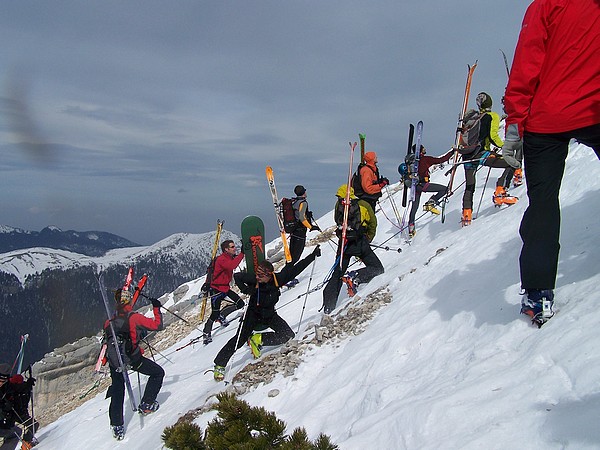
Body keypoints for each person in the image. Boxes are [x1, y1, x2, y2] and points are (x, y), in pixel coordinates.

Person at [502, 0, 600, 324]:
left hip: (546, 121)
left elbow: (526, 65)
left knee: (543, 203)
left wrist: (514, 127)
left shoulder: (545, 5)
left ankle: (537, 292)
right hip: (592, 112)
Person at [212, 247, 321, 381]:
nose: (257, 277)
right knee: (238, 340)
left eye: (260, 276)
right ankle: (219, 365)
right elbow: (237, 276)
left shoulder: (278, 279)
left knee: (287, 335)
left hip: (269, 314)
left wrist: (312, 255)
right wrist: (247, 289)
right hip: (252, 315)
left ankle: (258, 339)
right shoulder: (254, 280)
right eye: (256, 274)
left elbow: (296, 269)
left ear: (269, 274)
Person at [104, 289, 165, 440]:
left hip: (114, 361)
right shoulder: (134, 317)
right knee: (157, 373)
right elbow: (157, 325)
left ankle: (116, 425)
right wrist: (156, 308)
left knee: (118, 389)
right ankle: (147, 404)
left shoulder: (109, 322)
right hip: (132, 359)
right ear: (129, 301)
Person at [322, 184, 384, 314]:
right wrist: (369, 238)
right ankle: (356, 276)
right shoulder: (363, 205)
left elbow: (336, 220)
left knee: (337, 273)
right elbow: (373, 223)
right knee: (377, 268)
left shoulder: (339, 204)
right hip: (360, 242)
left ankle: (329, 306)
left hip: (344, 243)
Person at [460, 93, 518, 226]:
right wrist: (505, 147)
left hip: (467, 156)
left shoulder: (474, 118)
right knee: (511, 162)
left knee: (470, 186)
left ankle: (466, 215)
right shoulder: (492, 116)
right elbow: (493, 136)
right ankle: (500, 191)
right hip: (481, 154)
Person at [402, 145, 453, 237]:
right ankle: (431, 202)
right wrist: (452, 152)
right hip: (422, 184)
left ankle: (411, 228)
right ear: (421, 150)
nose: (425, 149)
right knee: (445, 189)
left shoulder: (412, 161)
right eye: (423, 148)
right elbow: (441, 160)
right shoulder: (425, 159)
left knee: (414, 208)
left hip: (415, 186)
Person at [202, 240, 245, 345]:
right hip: (216, 290)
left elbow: (232, 264)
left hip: (224, 288)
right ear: (226, 249)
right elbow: (232, 266)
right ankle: (206, 333)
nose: (235, 248)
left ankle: (222, 315)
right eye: (232, 247)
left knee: (240, 303)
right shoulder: (222, 259)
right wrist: (242, 253)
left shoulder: (228, 258)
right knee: (214, 313)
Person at [0, 364, 38, 450]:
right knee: (15, 433)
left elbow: (19, 387)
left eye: (3, 381)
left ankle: (26, 445)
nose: (1, 383)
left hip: (13, 414)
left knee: (28, 427)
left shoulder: (8, 386)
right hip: (6, 415)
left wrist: (28, 384)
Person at [289, 185, 320, 265]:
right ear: (303, 192)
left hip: (294, 231)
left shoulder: (294, 202)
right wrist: (311, 227)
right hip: (300, 232)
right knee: (295, 256)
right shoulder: (303, 203)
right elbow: (302, 218)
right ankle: (288, 275)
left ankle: (287, 273)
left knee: (291, 256)